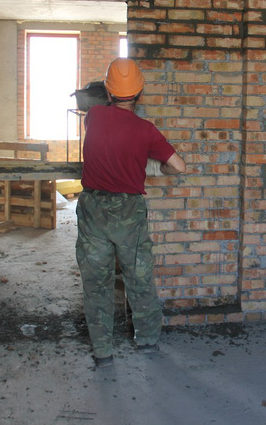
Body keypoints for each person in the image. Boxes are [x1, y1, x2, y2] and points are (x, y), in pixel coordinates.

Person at [75, 57, 186, 368]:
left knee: (97, 282)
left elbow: (108, 139)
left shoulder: (94, 116)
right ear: (139, 93)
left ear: (109, 92)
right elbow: (179, 166)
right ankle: (147, 341)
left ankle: (102, 352)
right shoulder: (145, 130)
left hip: (93, 209)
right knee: (138, 277)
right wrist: (157, 167)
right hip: (128, 212)